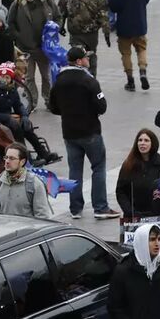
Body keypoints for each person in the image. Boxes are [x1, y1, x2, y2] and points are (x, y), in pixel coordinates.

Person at [50, 45, 120, 220]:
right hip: (90, 132)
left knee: (75, 170)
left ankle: (75, 209)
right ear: (79, 61)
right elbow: (102, 107)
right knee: (98, 167)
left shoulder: (59, 80)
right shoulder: (89, 80)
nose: (89, 60)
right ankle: (100, 207)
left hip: (69, 132)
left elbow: (53, 107)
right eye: (86, 57)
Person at [107, 0, 151, 93]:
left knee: (126, 53)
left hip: (124, 27)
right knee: (141, 49)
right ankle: (142, 71)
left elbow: (113, 7)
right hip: (140, 24)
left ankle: (130, 80)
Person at [116, 128, 160, 223]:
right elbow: (120, 191)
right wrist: (129, 211)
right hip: (133, 216)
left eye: (146, 140)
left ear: (152, 143)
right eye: (140, 140)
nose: (142, 143)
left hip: (155, 216)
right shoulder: (128, 164)